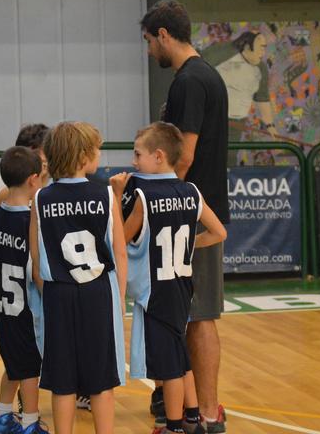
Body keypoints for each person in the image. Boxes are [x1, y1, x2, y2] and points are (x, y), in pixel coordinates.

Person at [140, 0, 229, 433]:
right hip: (191, 210)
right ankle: (187, 407)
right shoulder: (203, 75)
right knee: (184, 314)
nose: (148, 51)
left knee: (199, 315)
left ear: (163, 35)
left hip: (190, 214)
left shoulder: (190, 81)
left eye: (148, 41)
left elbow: (185, 155)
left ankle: (208, 413)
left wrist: (163, 202)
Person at [110, 122, 227, 434]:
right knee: (180, 355)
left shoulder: (143, 196)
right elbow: (219, 233)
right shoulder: (192, 191)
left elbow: (120, 239)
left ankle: (173, 426)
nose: (133, 161)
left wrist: (117, 195)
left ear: (158, 156)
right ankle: (193, 418)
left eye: (138, 154)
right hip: (181, 286)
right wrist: (190, 245)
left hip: (156, 290)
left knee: (170, 365)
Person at [29, 122, 127, 434]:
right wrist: (119, 297)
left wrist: (49, 291)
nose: (99, 155)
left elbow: (36, 258)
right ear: (83, 156)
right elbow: (120, 252)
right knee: (101, 380)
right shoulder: (105, 195)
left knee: (63, 382)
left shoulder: (40, 198)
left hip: (58, 292)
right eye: (96, 150)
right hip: (97, 291)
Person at [0, 146, 49, 434]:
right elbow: (37, 272)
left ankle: (2, 417)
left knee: (14, 362)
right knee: (30, 367)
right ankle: (30, 423)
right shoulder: (31, 221)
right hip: (26, 307)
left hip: (2, 307)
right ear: (33, 179)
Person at [0, 124, 50, 229]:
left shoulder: (56, 188)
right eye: (32, 154)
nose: (37, 159)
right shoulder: (11, 192)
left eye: (39, 154)